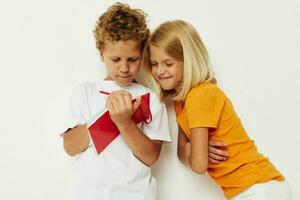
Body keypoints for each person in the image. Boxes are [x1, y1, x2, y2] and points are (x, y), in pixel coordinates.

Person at [139, 20, 292, 199]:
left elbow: (198, 165)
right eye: (154, 63)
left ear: (188, 61)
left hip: (259, 187)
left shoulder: (200, 95)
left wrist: (197, 150)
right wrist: (196, 148)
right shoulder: (182, 101)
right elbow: (182, 152)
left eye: (168, 63)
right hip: (246, 190)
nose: (159, 71)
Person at [61, 3, 171, 200]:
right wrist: (106, 116)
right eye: (116, 59)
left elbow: (151, 157)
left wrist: (124, 122)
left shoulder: (150, 98)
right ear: (102, 53)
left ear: (142, 54)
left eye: (132, 59)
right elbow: (70, 147)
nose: (124, 68)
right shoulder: (84, 92)